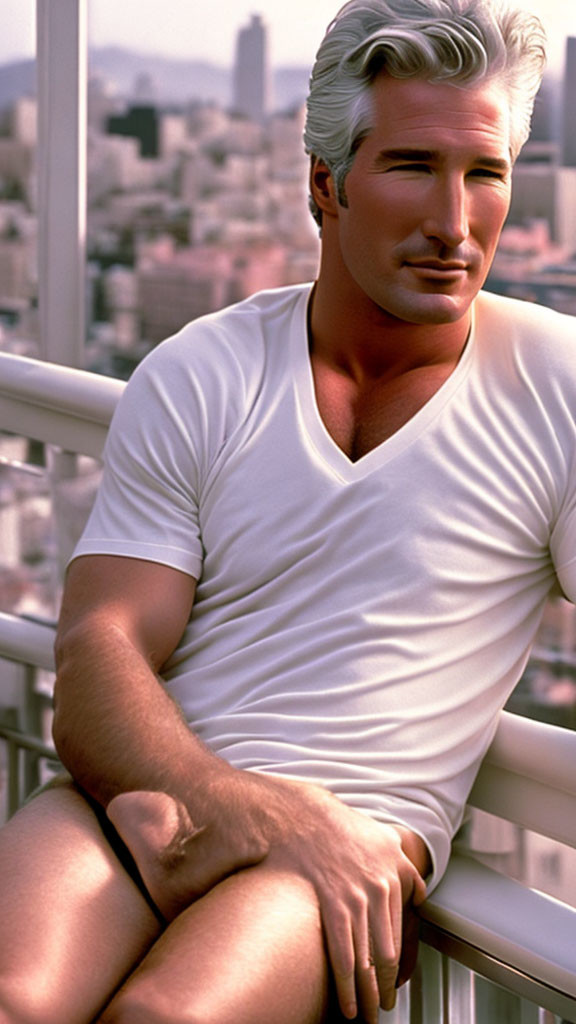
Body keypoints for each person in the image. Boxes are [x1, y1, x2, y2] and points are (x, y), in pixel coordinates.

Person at [0, 0, 571, 1022]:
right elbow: (97, 660)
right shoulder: (203, 369)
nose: (456, 221)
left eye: (485, 172)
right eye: (412, 166)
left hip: (341, 854)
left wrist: (308, 832)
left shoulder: (557, 389)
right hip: (138, 797)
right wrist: (260, 810)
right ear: (325, 183)